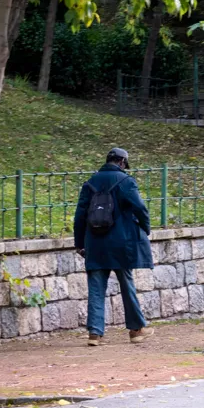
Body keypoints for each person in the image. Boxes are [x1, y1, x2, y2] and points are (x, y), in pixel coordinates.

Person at [73, 148, 155, 346]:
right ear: (122, 162)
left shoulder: (90, 183)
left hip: (95, 243)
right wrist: (146, 228)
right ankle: (136, 330)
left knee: (95, 287)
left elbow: (80, 216)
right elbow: (140, 208)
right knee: (127, 285)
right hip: (121, 243)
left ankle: (95, 333)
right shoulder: (126, 182)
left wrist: (79, 243)